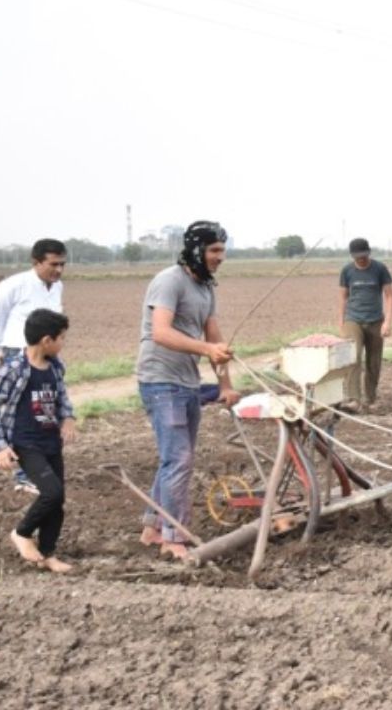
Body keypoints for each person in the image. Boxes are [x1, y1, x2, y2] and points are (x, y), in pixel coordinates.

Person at [136, 221, 240, 561]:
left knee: (175, 457)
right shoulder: (169, 281)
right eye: (214, 251)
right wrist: (206, 350)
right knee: (178, 459)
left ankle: (153, 527)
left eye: (222, 251)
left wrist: (225, 384)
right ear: (196, 250)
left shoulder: (206, 288)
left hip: (186, 380)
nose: (220, 257)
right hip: (160, 379)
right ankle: (174, 537)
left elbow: (214, 339)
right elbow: (160, 333)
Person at [0, 309, 77, 573]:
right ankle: (22, 533)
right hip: (25, 443)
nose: (63, 343)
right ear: (47, 340)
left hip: (50, 443)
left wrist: (68, 417)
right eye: (61, 338)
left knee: (57, 501)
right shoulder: (15, 369)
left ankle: (48, 553)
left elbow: (62, 397)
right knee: (52, 492)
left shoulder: (56, 367)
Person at [0, 238, 68, 495]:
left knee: (45, 411)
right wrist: (1, 348)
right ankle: (23, 474)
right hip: (18, 352)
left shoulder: (57, 287)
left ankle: (39, 466)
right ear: (36, 262)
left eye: (62, 264)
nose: (59, 270)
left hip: (46, 353)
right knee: (21, 413)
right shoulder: (14, 285)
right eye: (53, 264)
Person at [338, 238, 392, 410]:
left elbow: (390, 296)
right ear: (352, 256)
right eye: (357, 256)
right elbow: (343, 297)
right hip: (353, 319)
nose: (361, 259)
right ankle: (354, 399)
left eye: (363, 255)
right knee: (353, 357)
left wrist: (388, 322)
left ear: (369, 252)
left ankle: (370, 399)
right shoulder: (347, 271)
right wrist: (341, 322)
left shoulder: (380, 269)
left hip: (376, 320)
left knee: (374, 362)